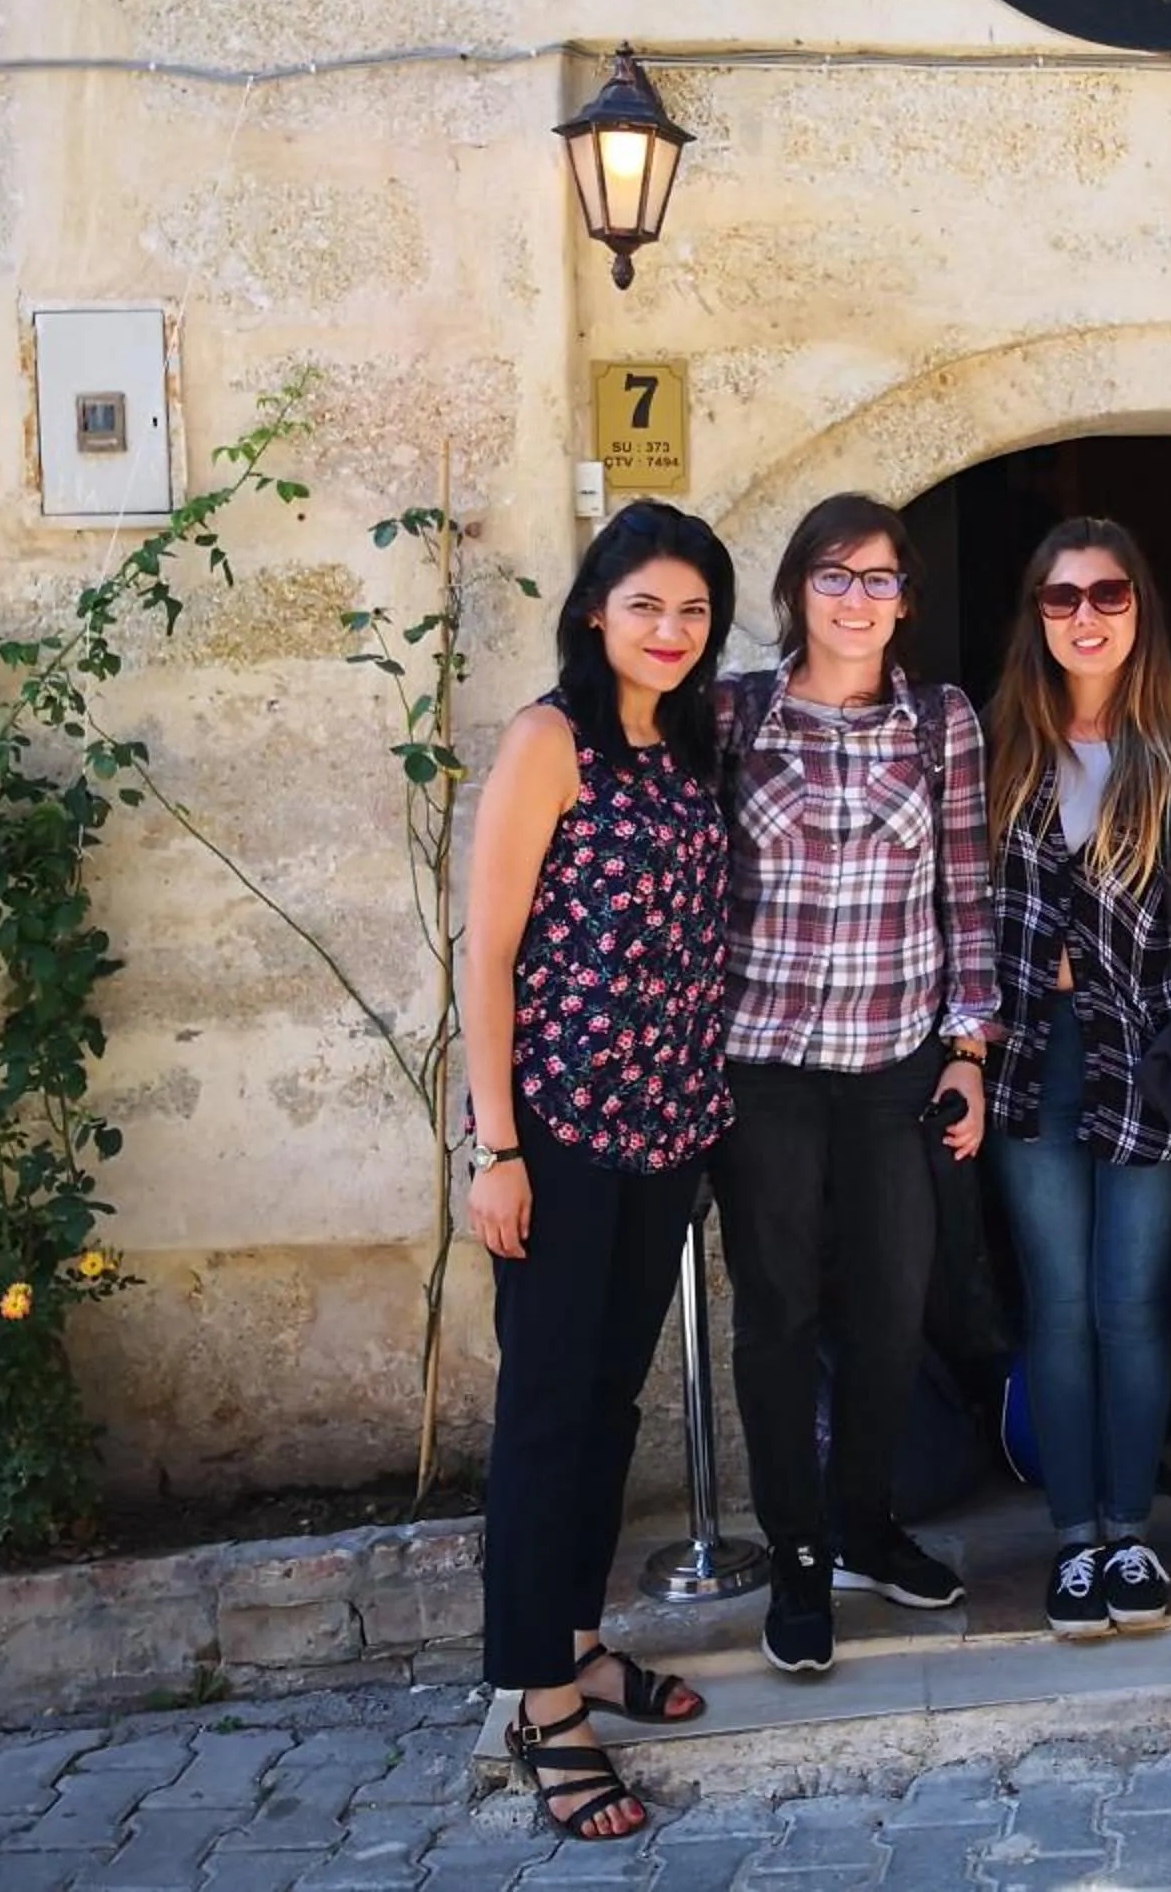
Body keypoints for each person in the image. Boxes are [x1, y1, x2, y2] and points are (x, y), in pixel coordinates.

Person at [461, 500, 738, 1842]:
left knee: (608, 1407)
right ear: (594, 611)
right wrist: (497, 1146)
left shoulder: (687, 745)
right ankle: (541, 1707)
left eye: (693, 611)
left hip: (667, 1128)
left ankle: (575, 1641)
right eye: (646, 606)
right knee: (545, 1416)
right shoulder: (549, 739)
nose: (670, 630)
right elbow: (488, 951)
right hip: (561, 1132)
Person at [709, 493, 999, 1677]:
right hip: (762, 1066)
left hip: (894, 1063)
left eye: (880, 579)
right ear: (796, 590)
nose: (857, 599)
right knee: (778, 1315)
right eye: (834, 575)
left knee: (892, 1306)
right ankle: (796, 1555)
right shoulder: (733, 714)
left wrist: (969, 1049)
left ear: (905, 599)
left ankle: (866, 1526)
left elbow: (966, 893)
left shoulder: (940, 723)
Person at [983, 516, 1171, 1639]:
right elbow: (954, 905)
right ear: (1037, 615)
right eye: (1062, 597)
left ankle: (1131, 1533)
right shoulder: (999, 743)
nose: (1086, 617)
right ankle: (1076, 1540)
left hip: (1154, 1065)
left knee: (1132, 1306)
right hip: (1031, 1060)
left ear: (1139, 609)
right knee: (1059, 1306)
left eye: (1108, 594)